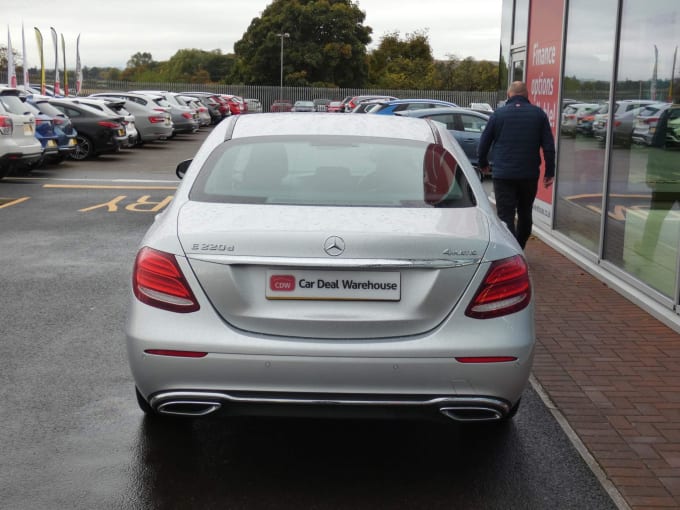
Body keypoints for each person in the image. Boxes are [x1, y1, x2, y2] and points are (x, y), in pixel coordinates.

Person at [477, 81, 556, 249]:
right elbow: (548, 146)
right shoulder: (539, 114)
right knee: (525, 213)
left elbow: (483, 143)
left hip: (503, 175)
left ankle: (512, 252)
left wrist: (483, 164)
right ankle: (519, 246)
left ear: (509, 95)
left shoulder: (498, 115)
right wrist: (549, 172)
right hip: (528, 175)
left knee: (505, 216)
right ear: (527, 95)